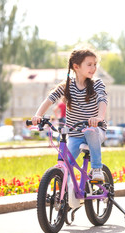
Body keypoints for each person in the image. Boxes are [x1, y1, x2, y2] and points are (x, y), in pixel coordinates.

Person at [31, 47, 108, 181]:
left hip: (96, 131)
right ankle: (66, 195)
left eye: (95, 64)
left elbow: (102, 100)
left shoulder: (97, 83)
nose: (93, 68)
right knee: (64, 166)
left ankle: (97, 169)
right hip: (75, 135)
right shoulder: (67, 85)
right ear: (76, 66)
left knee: (90, 131)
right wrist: (38, 115)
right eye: (89, 64)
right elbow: (50, 99)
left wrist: (99, 118)